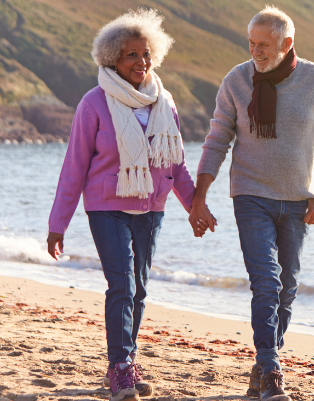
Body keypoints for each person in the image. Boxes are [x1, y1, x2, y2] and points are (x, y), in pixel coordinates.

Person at [46, 8, 211, 401]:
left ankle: (126, 361)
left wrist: (194, 208)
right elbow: (74, 166)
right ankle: (120, 367)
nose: (141, 62)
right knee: (121, 284)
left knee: (138, 289)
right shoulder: (94, 103)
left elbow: (176, 165)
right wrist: (58, 224)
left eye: (146, 54)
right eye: (131, 55)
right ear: (112, 59)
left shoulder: (164, 102)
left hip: (151, 209)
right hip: (106, 207)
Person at [188, 5, 314, 401]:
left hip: (298, 200)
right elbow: (217, 139)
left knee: (288, 287)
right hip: (250, 196)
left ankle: (262, 366)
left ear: (287, 43)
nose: (256, 52)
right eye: (251, 43)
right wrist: (199, 197)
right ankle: (273, 370)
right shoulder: (236, 80)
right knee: (267, 280)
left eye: (265, 45)